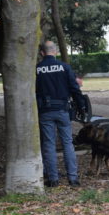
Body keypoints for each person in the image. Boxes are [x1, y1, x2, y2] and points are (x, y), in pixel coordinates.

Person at [36, 41, 87, 187]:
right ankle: (73, 178)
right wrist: (81, 106)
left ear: (42, 53)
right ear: (56, 52)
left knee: (49, 144)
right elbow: (74, 88)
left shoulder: (37, 69)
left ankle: (53, 179)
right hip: (63, 110)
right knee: (67, 143)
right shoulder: (65, 67)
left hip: (45, 111)